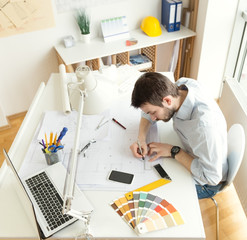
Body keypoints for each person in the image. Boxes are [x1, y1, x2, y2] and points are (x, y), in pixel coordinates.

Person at [130, 72, 228, 199]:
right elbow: (147, 112)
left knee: (153, 195)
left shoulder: (203, 127)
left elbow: (212, 178)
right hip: (200, 151)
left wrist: (174, 151)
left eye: (153, 112)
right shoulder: (182, 86)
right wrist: (141, 138)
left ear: (167, 100)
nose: (152, 118)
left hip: (207, 182)